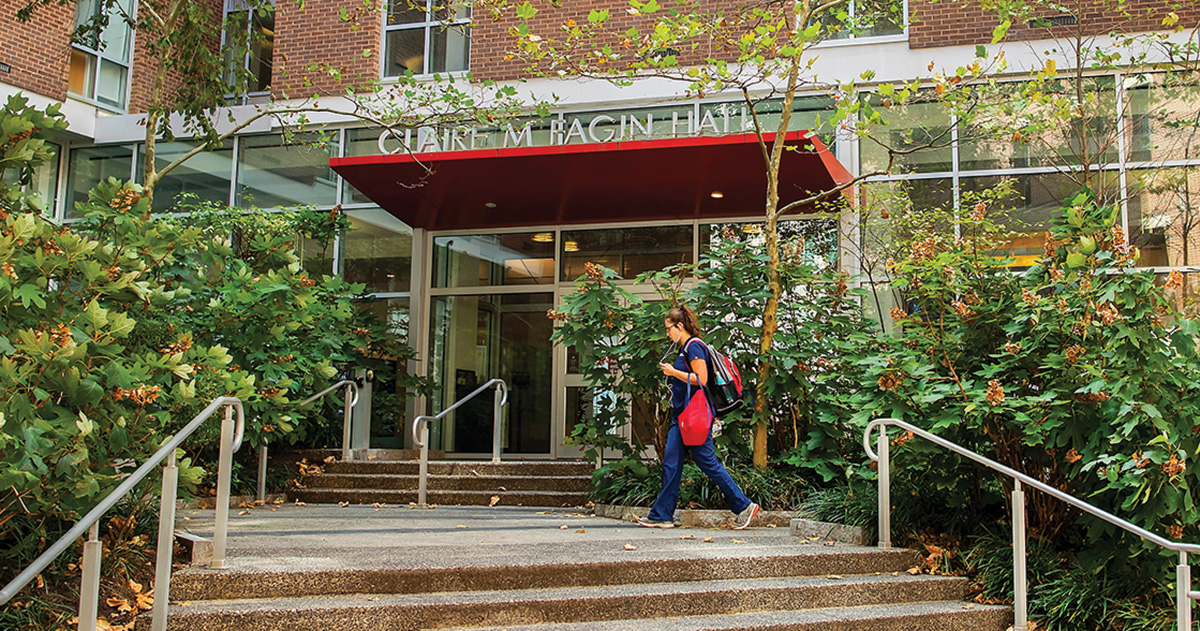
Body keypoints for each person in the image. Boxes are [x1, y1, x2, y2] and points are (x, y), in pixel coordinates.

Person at [637, 305, 759, 530]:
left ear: (679, 326)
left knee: (708, 462)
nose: (667, 334)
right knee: (671, 464)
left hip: (693, 416)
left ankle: (744, 506)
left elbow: (701, 379)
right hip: (682, 416)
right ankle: (661, 515)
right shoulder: (685, 349)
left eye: (668, 329)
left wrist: (674, 373)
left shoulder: (694, 347)